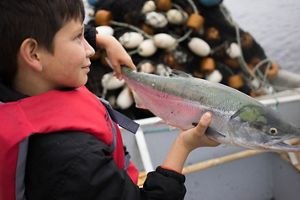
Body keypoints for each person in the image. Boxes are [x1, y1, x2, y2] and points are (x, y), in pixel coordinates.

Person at [0, 1, 218, 200]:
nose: (91, 49)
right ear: (34, 54)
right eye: (78, 38)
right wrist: (184, 145)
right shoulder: (76, 161)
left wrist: (103, 38)